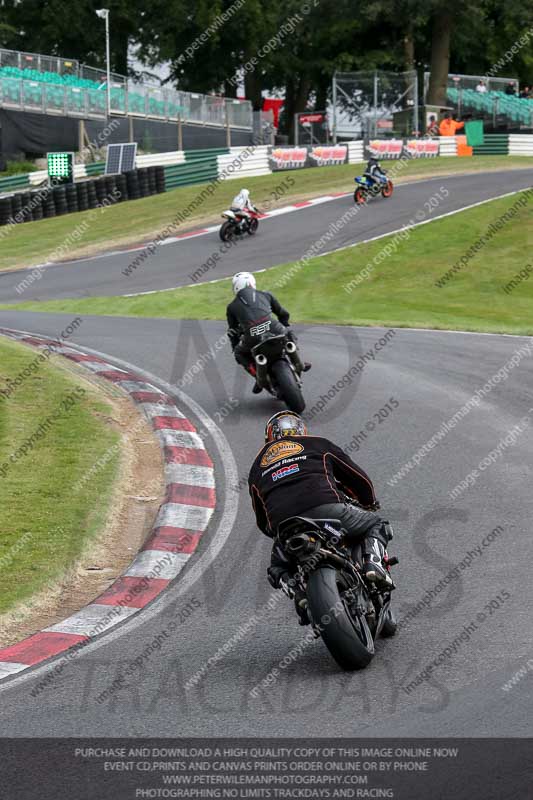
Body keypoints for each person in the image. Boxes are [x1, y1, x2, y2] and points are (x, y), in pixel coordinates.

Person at [248, 411, 395, 611]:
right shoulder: (318, 444)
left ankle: (299, 594)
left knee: (277, 568)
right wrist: (369, 502)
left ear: (270, 438)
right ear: (302, 431)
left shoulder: (257, 466)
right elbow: (359, 479)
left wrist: (277, 533)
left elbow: (262, 521)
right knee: (376, 523)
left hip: (285, 527)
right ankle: (374, 565)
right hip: (327, 511)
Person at [226, 273, 310, 394]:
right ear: (252, 283)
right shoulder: (266, 294)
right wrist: (285, 325)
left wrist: (234, 346)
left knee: (239, 353)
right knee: (288, 333)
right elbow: (283, 313)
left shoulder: (231, 307)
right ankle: (299, 362)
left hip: (252, 336)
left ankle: (258, 377)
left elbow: (232, 331)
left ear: (235, 287)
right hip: (275, 328)